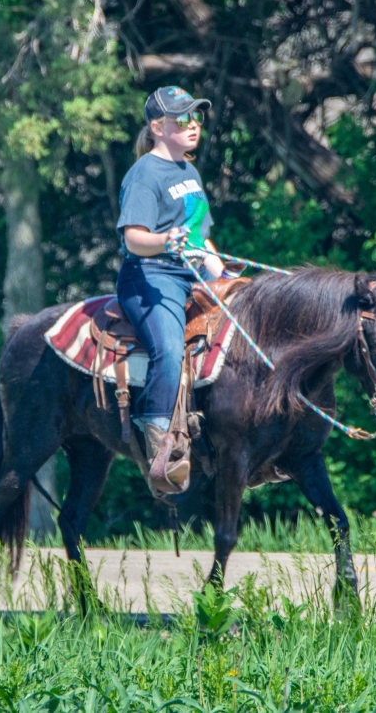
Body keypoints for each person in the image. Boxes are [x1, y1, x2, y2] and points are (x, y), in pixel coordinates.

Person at [116, 86, 226, 495]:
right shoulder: (144, 174)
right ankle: (160, 444)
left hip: (190, 275)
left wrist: (225, 278)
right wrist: (166, 240)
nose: (193, 125)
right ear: (157, 127)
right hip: (149, 276)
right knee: (169, 349)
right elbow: (134, 239)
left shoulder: (189, 173)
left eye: (196, 117)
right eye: (182, 119)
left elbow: (200, 238)